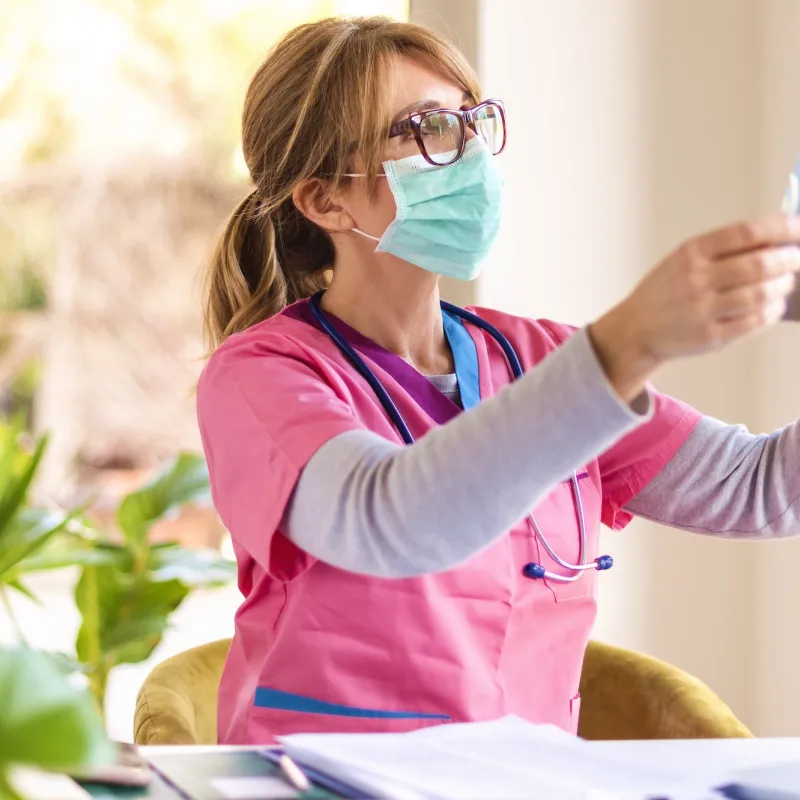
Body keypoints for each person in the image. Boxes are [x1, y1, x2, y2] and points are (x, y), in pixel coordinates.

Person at [197, 16, 800, 745]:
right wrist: (633, 338)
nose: (470, 152)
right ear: (325, 199)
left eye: (472, 120)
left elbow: (759, 487)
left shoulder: (538, 358)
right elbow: (389, 520)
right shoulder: (261, 378)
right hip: (321, 778)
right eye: (424, 128)